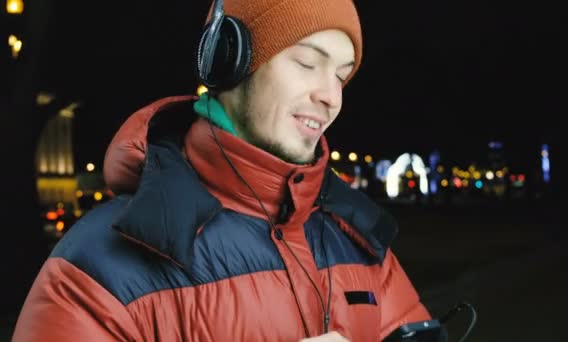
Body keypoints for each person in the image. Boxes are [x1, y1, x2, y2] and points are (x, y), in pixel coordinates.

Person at [13, 0, 433, 340]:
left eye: (342, 76)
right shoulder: (95, 270)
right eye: (306, 63)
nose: (330, 96)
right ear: (229, 61)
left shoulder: (360, 243)